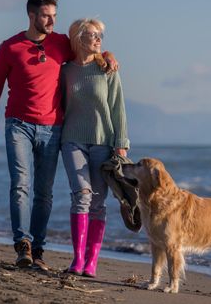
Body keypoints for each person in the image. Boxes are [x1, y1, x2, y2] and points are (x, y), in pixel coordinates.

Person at [0, 0, 116, 271]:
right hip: (18, 124)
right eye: (46, 16)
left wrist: (108, 54)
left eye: (55, 15)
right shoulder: (10, 47)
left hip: (53, 128)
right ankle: (23, 246)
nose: (52, 20)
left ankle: (38, 250)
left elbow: (86, 49)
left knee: (45, 192)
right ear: (31, 16)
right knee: (20, 184)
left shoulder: (61, 43)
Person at [61, 18, 130, 277]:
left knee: (98, 204)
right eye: (92, 34)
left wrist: (121, 144)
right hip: (71, 140)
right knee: (82, 196)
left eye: (100, 34)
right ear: (79, 38)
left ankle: (91, 263)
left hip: (103, 143)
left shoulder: (108, 70)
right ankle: (77, 260)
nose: (98, 39)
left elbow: (118, 108)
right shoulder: (65, 70)